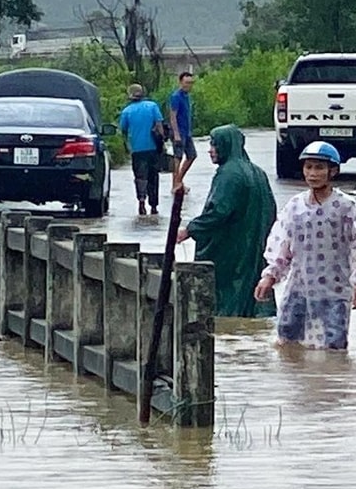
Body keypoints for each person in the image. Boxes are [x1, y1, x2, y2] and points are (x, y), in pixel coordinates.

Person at [254, 141, 356, 350]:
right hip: (299, 287)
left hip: (335, 289)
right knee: (287, 340)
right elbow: (282, 244)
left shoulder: (345, 206)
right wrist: (270, 276)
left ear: (333, 171)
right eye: (308, 167)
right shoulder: (295, 206)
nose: (313, 173)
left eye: (319, 167)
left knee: (334, 347)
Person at [177, 126, 278, 319]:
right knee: (252, 298)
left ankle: (228, 334)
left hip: (231, 251)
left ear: (225, 145)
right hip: (254, 247)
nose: (210, 150)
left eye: (214, 145)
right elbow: (271, 210)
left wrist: (189, 229)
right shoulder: (258, 172)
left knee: (227, 301)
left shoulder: (228, 175)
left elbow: (218, 212)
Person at [116, 83, 166, 217]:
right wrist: (163, 143)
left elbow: (123, 131)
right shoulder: (152, 106)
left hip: (137, 150)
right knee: (153, 176)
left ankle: (142, 201)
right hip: (153, 148)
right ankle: (154, 206)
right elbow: (159, 126)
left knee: (140, 177)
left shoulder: (127, 111)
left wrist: (127, 146)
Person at [167, 70, 198, 194]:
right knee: (177, 158)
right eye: (186, 83)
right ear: (181, 82)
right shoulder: (176, 96)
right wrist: (176, 134)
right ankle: (176, 184)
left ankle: (179, 181)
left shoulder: (187, 96)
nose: (188, 85)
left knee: (192, 156)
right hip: (179, 133)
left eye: (190, 83)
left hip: (187, 132)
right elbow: (172, 116)